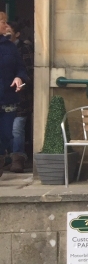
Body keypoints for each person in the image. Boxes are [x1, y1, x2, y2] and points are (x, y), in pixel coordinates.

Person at [0, 13, 26, 178]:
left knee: (6, 135)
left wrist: (19, 78)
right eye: (2, 21)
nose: (5, 24)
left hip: (7, 99)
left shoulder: (10, 47)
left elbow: (21, 69)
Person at [6, 19, 33, 173]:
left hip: (20, 98)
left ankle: (18, 159)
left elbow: (29, 73)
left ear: (17, 34)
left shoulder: (24, 50)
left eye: (10, 32)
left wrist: (21, 83)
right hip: (4, 97)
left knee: (17, 128)